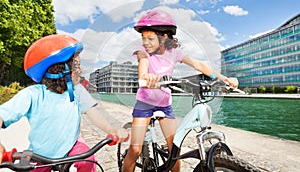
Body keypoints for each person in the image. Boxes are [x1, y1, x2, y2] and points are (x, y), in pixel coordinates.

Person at [121, 10, 239, 172]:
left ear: (165, 37)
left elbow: (199, 65)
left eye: (150, 38)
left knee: (174, 151)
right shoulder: (143, 52)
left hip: (164, 105)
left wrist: (224, 79)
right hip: (145, 104)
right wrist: (147, 77)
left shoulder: (174, 53)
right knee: (135, 150)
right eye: (143, 38)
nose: (145, 42)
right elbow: (142, 71)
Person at [0, 34, 128, 172]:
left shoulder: (77, 90)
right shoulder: (32, 94)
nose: (82, 70)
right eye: (77, 65)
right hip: (39, 155)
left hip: (72, 147)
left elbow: (93, 112)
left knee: (88, 161)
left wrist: (113, 131)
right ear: (61, 70)